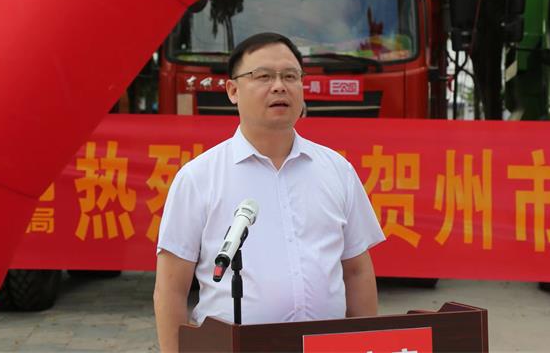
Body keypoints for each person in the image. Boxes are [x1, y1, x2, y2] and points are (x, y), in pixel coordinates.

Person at [153, 32, 385, 352]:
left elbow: (357, 272)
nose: (279, 86)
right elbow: (171, 288)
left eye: (290, 76)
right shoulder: (198, 177)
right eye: (263, 76)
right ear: (233, 91)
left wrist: (367, 344)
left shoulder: (336, 170)